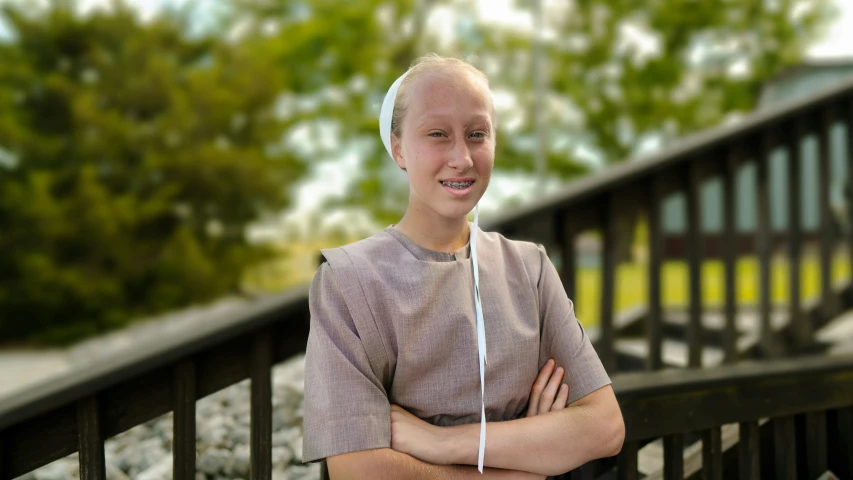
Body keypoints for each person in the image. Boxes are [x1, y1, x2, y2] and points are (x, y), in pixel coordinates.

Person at [302, 53, 624, 479]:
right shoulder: (349, 281)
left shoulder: (529, 269)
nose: (462, 157)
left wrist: (441, 443)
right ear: (398, 148)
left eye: (477, 134)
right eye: (437, 134)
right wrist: (528, 459)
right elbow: (358, 468)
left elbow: (604, 427)